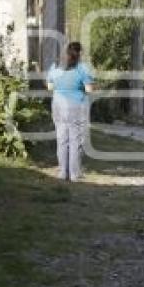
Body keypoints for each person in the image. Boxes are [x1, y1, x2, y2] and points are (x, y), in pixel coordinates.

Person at [47, 42, 94, 182]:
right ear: (79, 53)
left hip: (58, 105)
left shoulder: (55, 66)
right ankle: (74, 174)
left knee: (61, 139)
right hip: (75, 106)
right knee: (75, 139)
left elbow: (50, 87)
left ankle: (62, 172)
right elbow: (89, 89)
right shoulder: (82, 69)